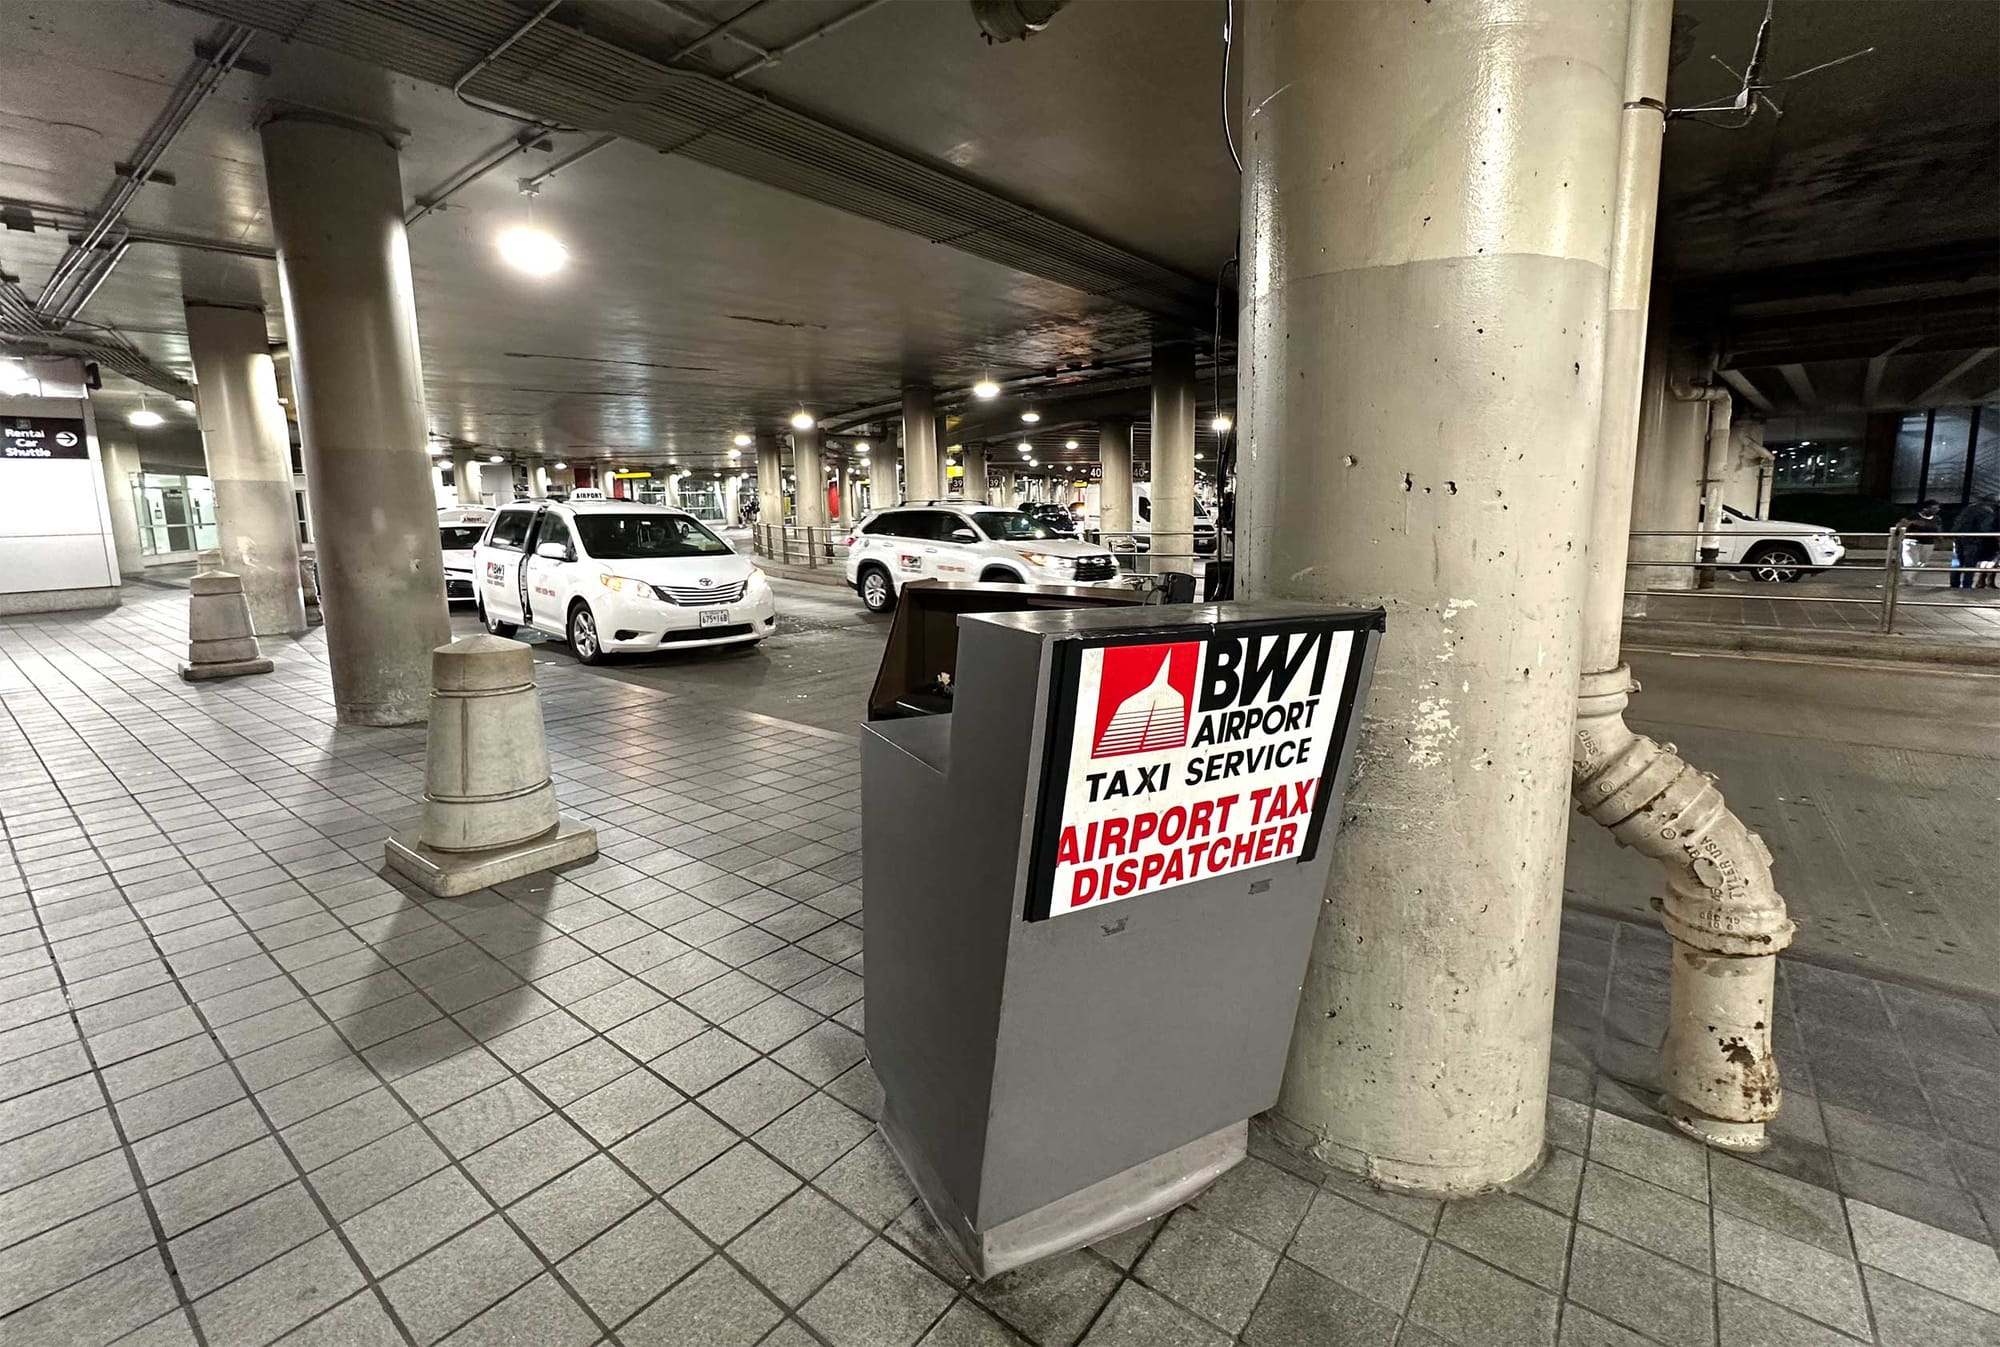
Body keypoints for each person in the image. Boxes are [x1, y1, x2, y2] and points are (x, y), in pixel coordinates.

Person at [1951, 493, 1999, 590]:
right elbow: (1985, 528)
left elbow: (1957, 524)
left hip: (1959, 539)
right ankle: (1967, 586)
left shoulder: (1969, 508)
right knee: (1970, 564)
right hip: (1974, 541)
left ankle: (1954, 584)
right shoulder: (1986, 511)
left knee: (1958, 563)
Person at [1894, 500, 1942, 574]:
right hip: (1912, 542)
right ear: (1925, 508)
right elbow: (1901, 524)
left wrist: (1940, 538)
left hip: (1928, 543)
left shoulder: (1937, 519)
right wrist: (1912, 523)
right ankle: (1908, 578)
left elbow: (1937, 529)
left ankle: (1912, 576)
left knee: (1922, 563)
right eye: (1934, 508)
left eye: (1937, 508)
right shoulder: (1913, 516)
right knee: (1910, 563)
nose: (1937, 510)